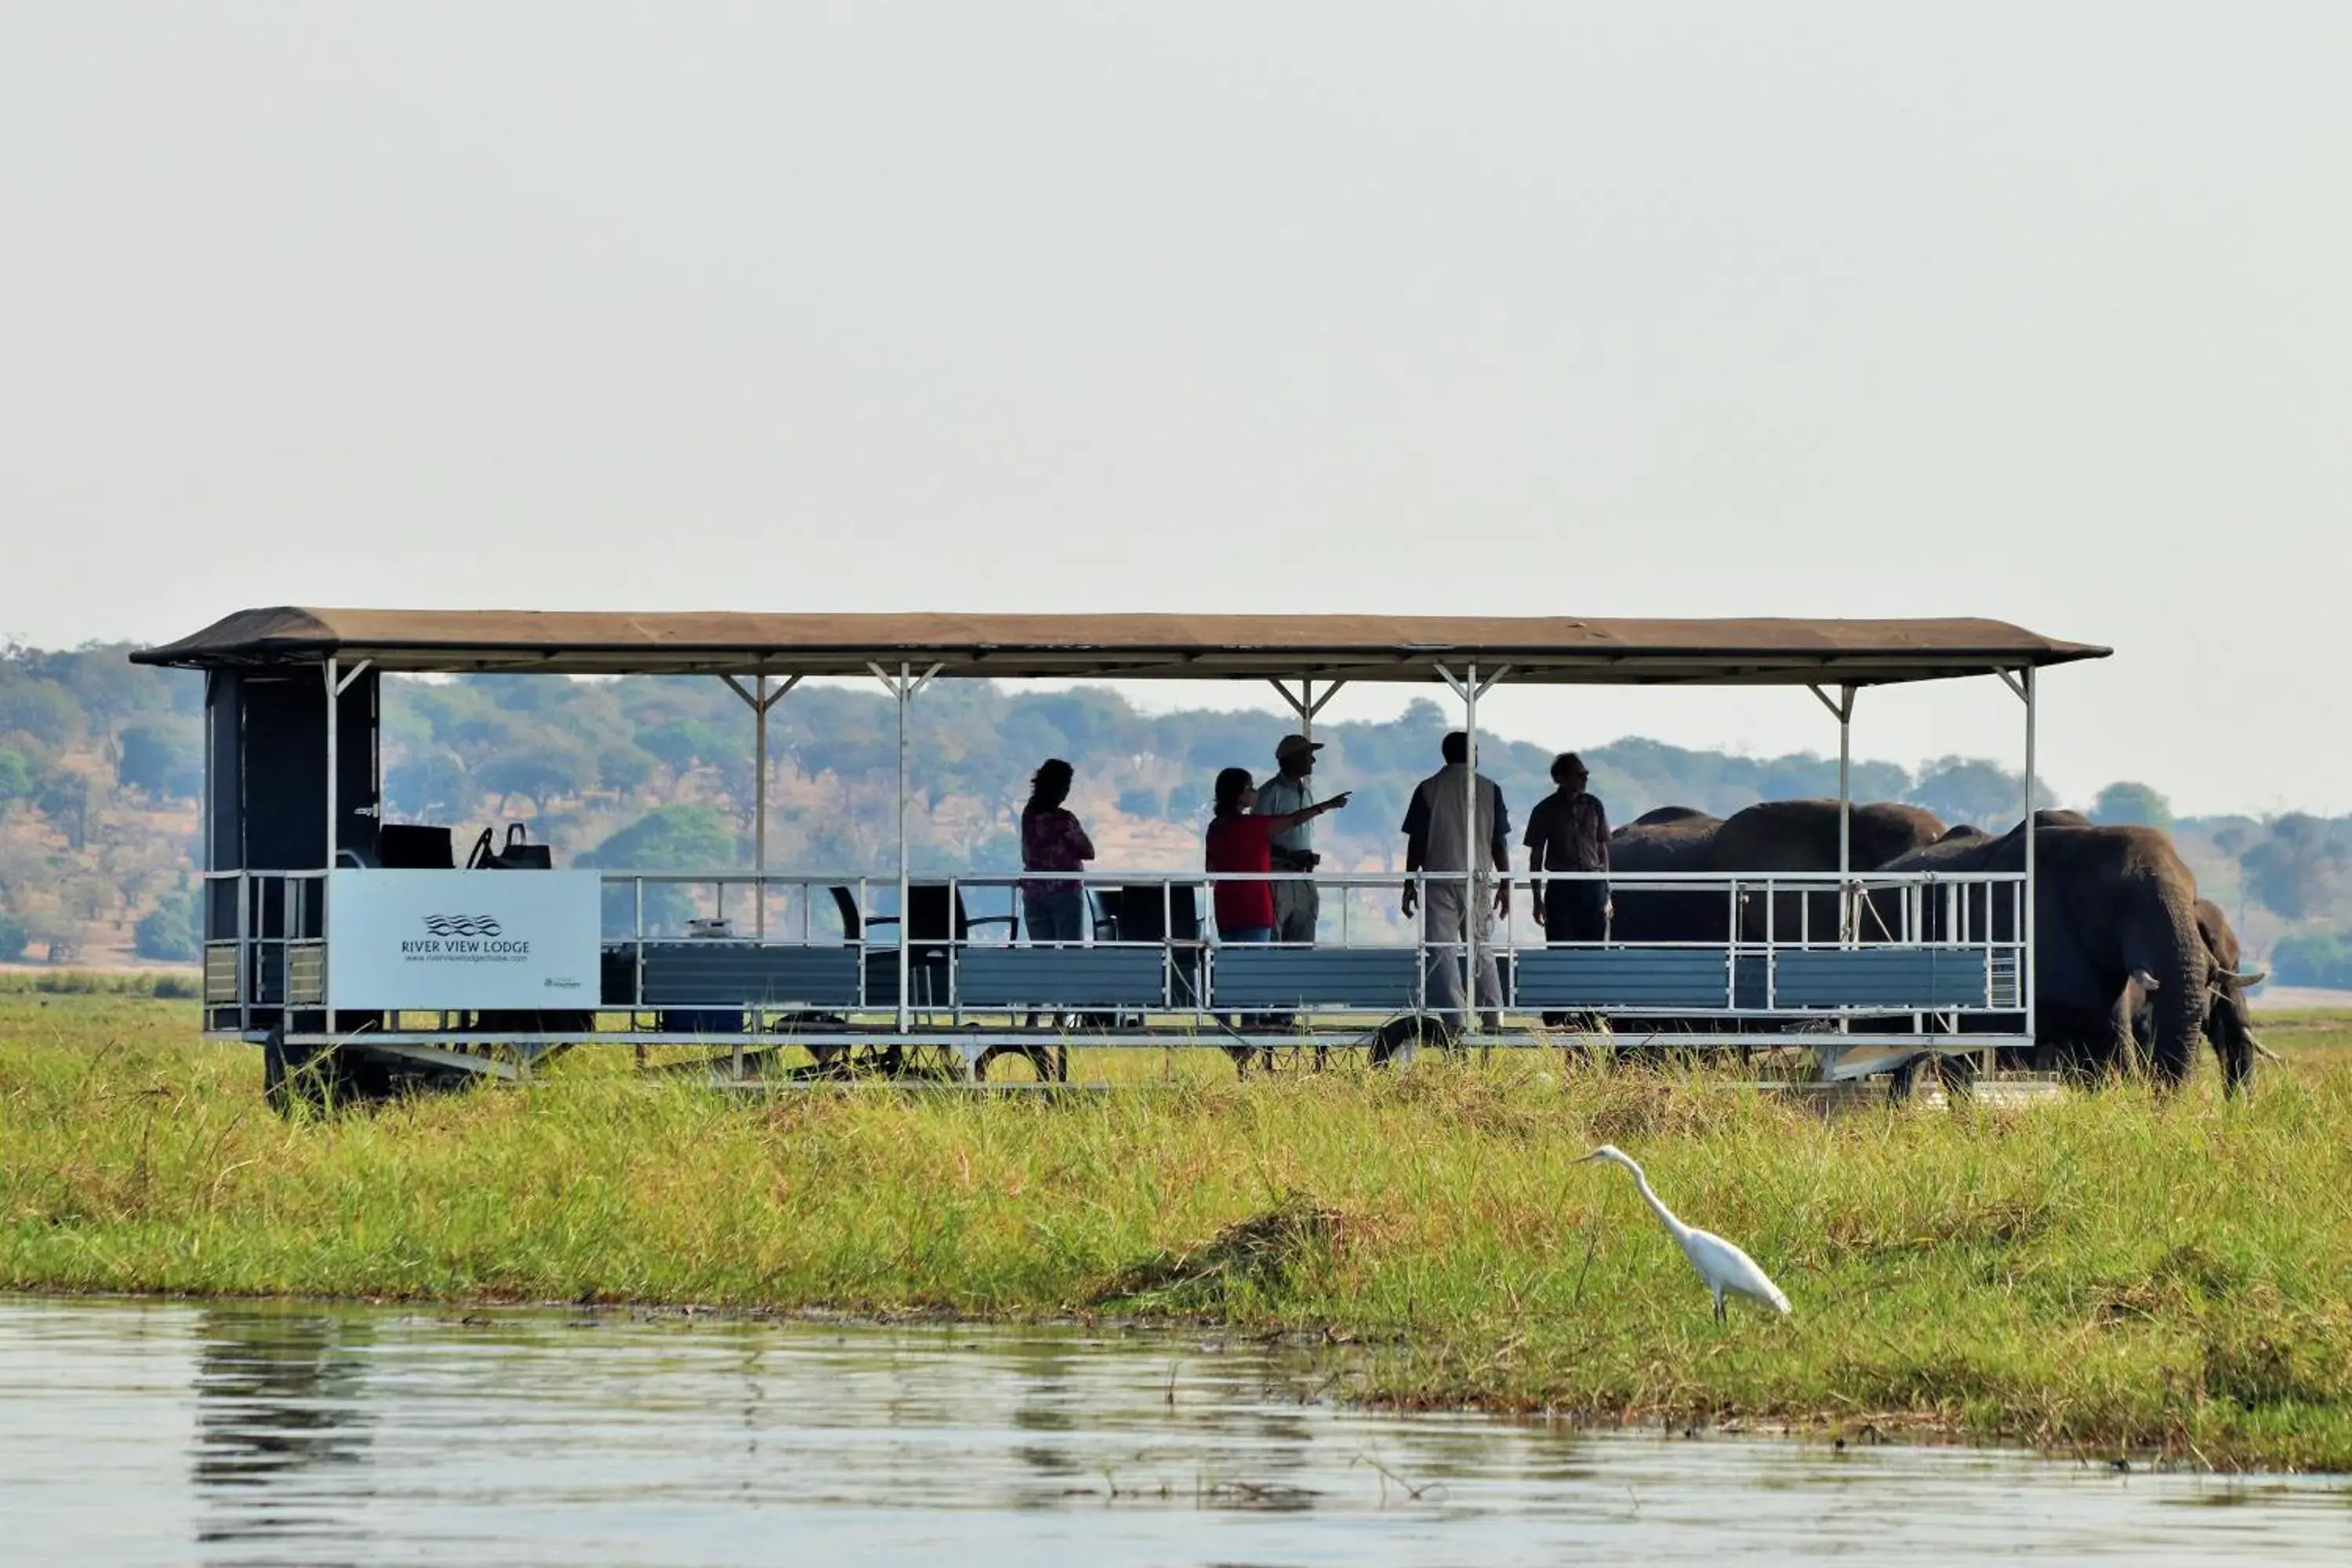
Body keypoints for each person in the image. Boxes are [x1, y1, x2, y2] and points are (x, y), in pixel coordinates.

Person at [1399, 731, 1509, 1030]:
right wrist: (1506, 883)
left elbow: (1417, 842)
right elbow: (1499, 841)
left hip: (1439, 877)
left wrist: (1410, 883)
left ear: (1445, 754)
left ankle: (1455, 1018)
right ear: (1472, 753)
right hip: (1479, 880)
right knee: (1481, 947)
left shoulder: (1428, 788)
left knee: (1442, 948)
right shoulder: (1490, 789)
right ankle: (1493, 1014)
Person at [1205, 765, 1350, 944]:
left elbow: (1210, 868)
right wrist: (1327, 806)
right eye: (1250, 788)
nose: (1255, 791)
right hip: (1255, 907)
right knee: (1257, 965)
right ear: (1239, 796)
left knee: (1235, 965)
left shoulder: (1215, 828)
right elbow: (1294, 819)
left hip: (1226, 908)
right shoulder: (1254, 826)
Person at [1524, 752, 1611, 1028]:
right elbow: (1536, 855)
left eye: (1585, 774)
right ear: (1560, 778)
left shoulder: (1595, 806)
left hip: (1592, 883)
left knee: (1594, 949)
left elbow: (1602, 849)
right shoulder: (1545, 809)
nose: (1584, 779)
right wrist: (1537, 898)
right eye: (1578, 774)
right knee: (1559, 947)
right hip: (1561, 885)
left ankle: (1591, 1008)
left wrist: (1608, 892)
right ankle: (1557, 1010)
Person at [1254, 734, 1327, 945]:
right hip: (1278, 877)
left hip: (1302, 876)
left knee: (1304, 937)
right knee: (1275, 938)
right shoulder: (1269, 793)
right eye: (1307, 755)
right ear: (1291, 759)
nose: (1312, 760)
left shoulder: (1306, 792)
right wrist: (1290, 855)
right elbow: (1257, 839)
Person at [1019, 758, 1094, 943]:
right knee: (1071, 952)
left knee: (1042, 954)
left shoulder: (1028, 816)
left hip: (1034, 891)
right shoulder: (1065, 820)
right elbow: (1089, 851)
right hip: (1065, 891)